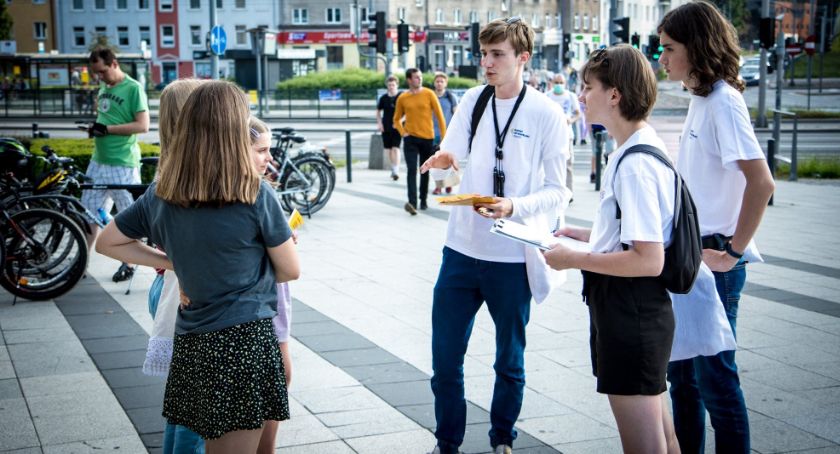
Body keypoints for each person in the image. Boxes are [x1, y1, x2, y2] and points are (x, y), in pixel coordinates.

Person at [96, 81, 299, 453]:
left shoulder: (162, 193)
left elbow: (107, 242)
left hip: (193, 344)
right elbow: (289, 270)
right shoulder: (254, 193)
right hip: (244, 341)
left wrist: (173, 261)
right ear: (232, 131)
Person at [420, 17, 570, 454]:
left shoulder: (547, 113)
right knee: (445, 360)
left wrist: (513, 207)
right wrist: (447, 157)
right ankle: (447, 442)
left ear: (523, 58)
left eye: (497, 54)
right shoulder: (473, 99)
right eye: (483, 53)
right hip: (461, 251)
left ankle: (502, 436)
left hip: (511, 257)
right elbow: (457, 148)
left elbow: (560, 190)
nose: (486, 62)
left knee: (510, 359)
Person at [542, 45, 680, 453]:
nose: (581, 96)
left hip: (630, 313)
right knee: (666, 439)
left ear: (615, 94)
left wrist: (572, 258)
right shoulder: (637, 148)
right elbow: (639, 233)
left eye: (588, 87)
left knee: (646, 446)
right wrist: (589, 235)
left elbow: (649, 259)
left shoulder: (635, 163)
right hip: (635, 311)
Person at [658, 2, 776, 452]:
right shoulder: (703, 99)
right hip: (691, 256)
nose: (662, 58)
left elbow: (761, 181)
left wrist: (733, 249)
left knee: (716, 382)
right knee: (683, 379)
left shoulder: (724, 102)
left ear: (697, 48)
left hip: (714, 260)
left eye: (669, 48)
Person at [144, 78, 207, 454]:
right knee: (195, 411)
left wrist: (166, 261)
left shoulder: (167, 170)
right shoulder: (190, 178)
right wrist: (173, 261)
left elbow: (115, 240)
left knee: (183, 403)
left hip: (167, 288)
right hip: (182, 293)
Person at [81, 47, 150, 282]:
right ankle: (82, 262)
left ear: (113, 64)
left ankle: (129, 263)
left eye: (102, 71)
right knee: (88, 213)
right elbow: (107, 116)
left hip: (123, 163)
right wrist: (96, 128)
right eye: (96, 73)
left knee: (128, 215)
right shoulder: (104, 87)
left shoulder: (133, 88)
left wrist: (107, 130)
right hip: (98, 160)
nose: (99, 77)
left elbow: (143, 125)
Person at [393, 68, 447, 214]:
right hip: (410, 139)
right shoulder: (403, 97)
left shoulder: (429, 94)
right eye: (416, 77)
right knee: (411, 170)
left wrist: (444, 138)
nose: (419, 79)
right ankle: (412, 202)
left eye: (420, 77)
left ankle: (423, 200)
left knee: (424, 170)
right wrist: (403, 132)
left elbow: (440, 117)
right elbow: (396, 119)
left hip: (427, 139)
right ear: (409, 80)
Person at [546, 74, 581, 195]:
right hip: (551, 136)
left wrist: (570, 120)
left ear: (565, 84)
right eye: (557, 82)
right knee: (551, 164)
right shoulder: (548, 96)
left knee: (568, 164)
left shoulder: (570, 96)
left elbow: (577, 113)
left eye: (561, 83)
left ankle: (569, 192)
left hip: (567, 135)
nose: (559, 85)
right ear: (552, 83)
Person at [431, 72, 459, 195]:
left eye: (442, 81)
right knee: (436, 161)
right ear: (434, 83)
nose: (439, 83)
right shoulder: (430, 96)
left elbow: (456, 115)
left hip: (447, 133)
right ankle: (438, 186)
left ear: (445, 83)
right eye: (437, 81)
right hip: (432, 133)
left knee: (447, 160)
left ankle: (449, 184)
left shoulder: (450, 97)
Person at [376, 75, 403, 181]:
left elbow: (407, 112)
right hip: (386, 126)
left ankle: (396, 170)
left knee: (396, 148)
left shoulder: (401, 96)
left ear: (397, 85)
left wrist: (400, 121)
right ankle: (393, 167)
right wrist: (379, 124)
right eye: (389, 85)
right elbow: (378, 112)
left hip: (397, 126)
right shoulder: (383, 98)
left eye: (393, 85)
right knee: (389, 150)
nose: (391, 87)